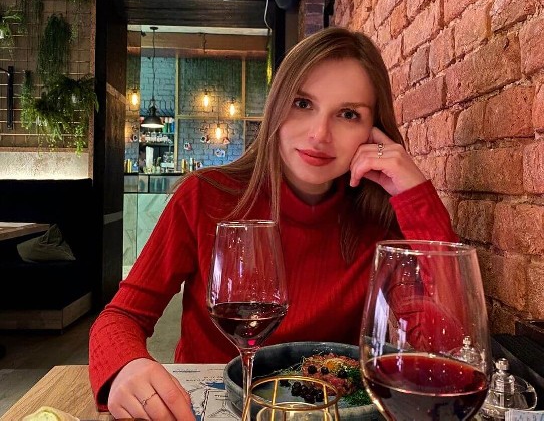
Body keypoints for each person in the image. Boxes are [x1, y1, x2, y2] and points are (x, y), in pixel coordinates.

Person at [89, 27, 457, 420]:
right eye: (303, 103)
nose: (319, 134)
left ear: (373, 131)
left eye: (349, 114)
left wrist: (417, 195)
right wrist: (126, 367)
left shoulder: (381, 221)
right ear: (276, 107)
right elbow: (122, 317)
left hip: (329, 413)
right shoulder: (204, 197)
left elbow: (444, 348)